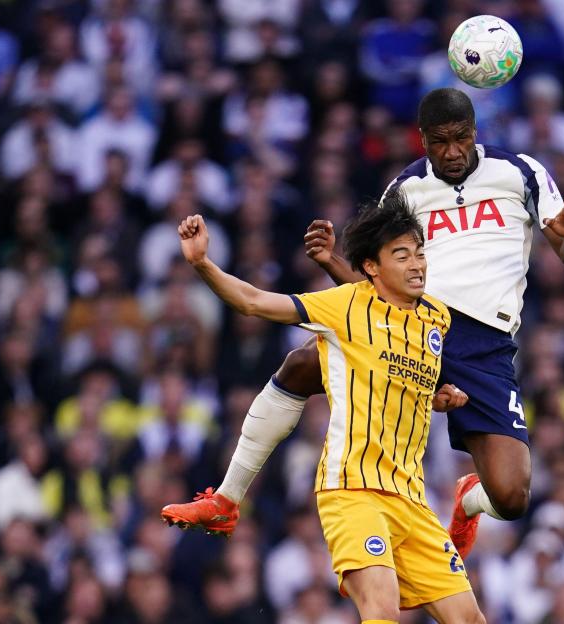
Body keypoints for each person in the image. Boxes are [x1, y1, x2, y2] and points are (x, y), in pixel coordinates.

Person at [163, 88, 564, 558]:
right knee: (301, 364)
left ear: (475, 133)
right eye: (440, 141)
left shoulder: (520, 172)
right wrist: (330, 261)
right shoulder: (405, 190)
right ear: (422, 139)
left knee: (512, 498)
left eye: (461, 139)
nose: (451, 152)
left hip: (484, 347)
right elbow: (371, 282)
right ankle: (226, 498)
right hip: (411, 326)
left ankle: (469, 499)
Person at [164, 191, 484, 623]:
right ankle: (226, 498)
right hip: (353, 491)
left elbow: (403, 378)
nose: (417, 265)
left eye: (420, 253)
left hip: (412, 498)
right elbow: (253, 302)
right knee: (382, 609)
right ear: (371, 267)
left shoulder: (436, 319)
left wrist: (439, 394)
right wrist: (202, 263)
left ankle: (463, 513)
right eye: (402, 255)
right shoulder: (344, 306)